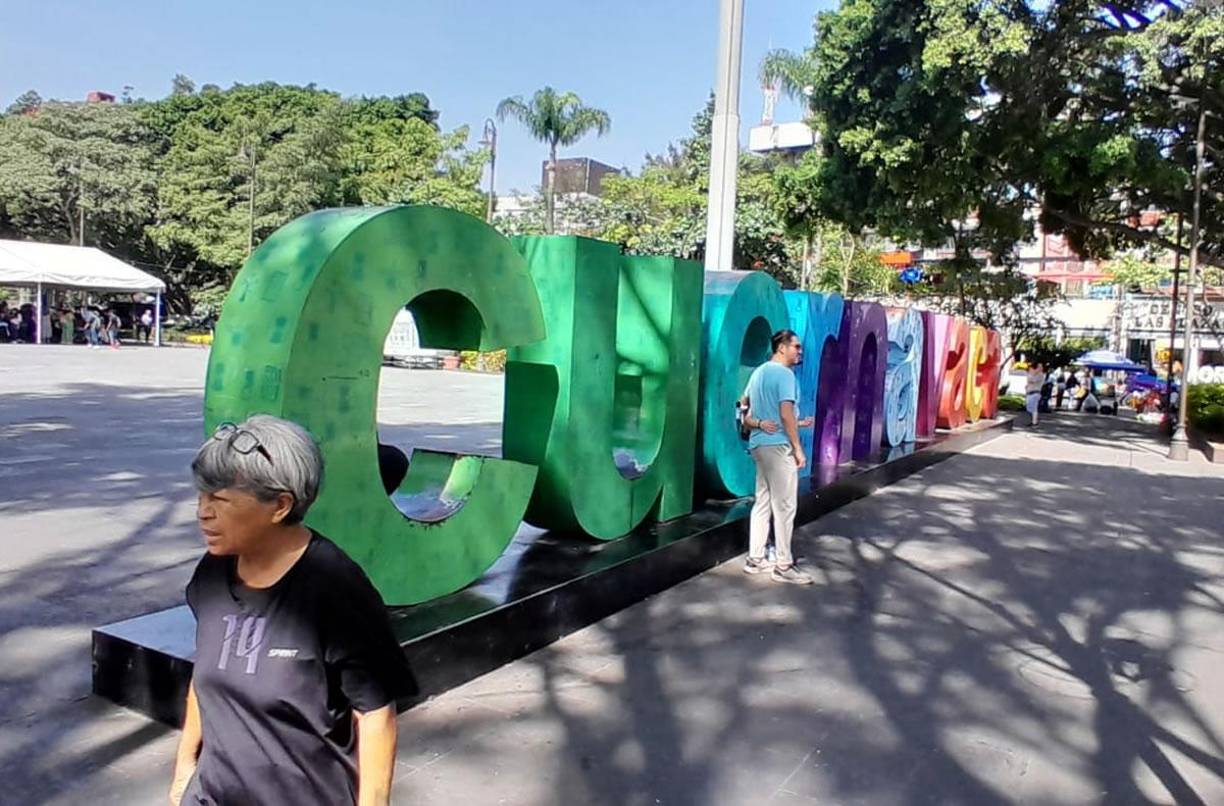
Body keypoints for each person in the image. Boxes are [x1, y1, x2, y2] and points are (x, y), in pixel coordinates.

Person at [170, 415, 414, 806]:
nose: (203, 512)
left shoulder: (335, 589)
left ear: (280, 505)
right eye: (201, 496)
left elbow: (375, 715)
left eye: (220, 500)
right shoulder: (213, 570)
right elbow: (206, 674)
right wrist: (184, 769)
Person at [739, 329, 816, 585]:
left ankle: (756, 558)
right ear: (781, 347)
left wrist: (757, 422)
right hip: (778, 447)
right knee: (784, 506)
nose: (799, 351)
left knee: (762, 502)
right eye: (796, 346)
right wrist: (798, 447)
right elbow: (784, 413)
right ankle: (784, 564)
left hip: (759, 445)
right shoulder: (785, 375)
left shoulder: (758, 372)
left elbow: (742, 405)